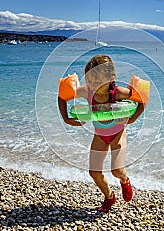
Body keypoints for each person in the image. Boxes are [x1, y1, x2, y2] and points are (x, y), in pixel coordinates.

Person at [58, 54, 146, 213]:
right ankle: (110, 197)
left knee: (116, 171)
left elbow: (142, 99)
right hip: (100, 136)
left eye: (98, 81)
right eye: (90, 80)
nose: (93, 84)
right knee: (94, 173)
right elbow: (62, 96)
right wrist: (65, 118)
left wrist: (132, 120)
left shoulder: (118, 93)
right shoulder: (86, 91)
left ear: (112, 77)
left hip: (118, 134)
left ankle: (125, 180)